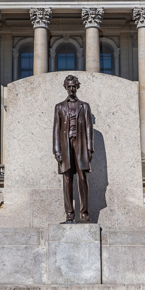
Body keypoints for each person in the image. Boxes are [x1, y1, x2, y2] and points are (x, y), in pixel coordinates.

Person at [52, 74, 95, 222]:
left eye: (73, 86)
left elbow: (89, 128)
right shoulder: (59, 107)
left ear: (77, 87)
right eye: (69, 86)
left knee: (83, 178)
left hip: (81, 144)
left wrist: (90, 148)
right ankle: (69, 215)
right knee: (67, 179)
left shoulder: (85, 106)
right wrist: (56, 150)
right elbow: (56, 130)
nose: (71, 89)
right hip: (65, 146)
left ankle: (84, 214)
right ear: (65, 87)